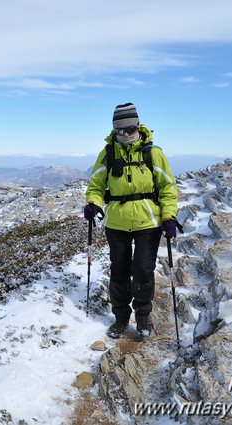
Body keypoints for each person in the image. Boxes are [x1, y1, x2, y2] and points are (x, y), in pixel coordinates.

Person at [84, 102, 178, 338]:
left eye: (129, 129)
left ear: (137, 126)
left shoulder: (152, 153)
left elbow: (167, 187)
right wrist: (92, 203)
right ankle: (121, 318)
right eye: (120, 131)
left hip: (148, 222)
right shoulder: (107, 154)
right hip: (116, 223)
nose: (125, 134)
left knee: (143, 271)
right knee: (119, 271)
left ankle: (143, 316)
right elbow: (96, 185)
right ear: (114, 130)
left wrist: (169, 216)